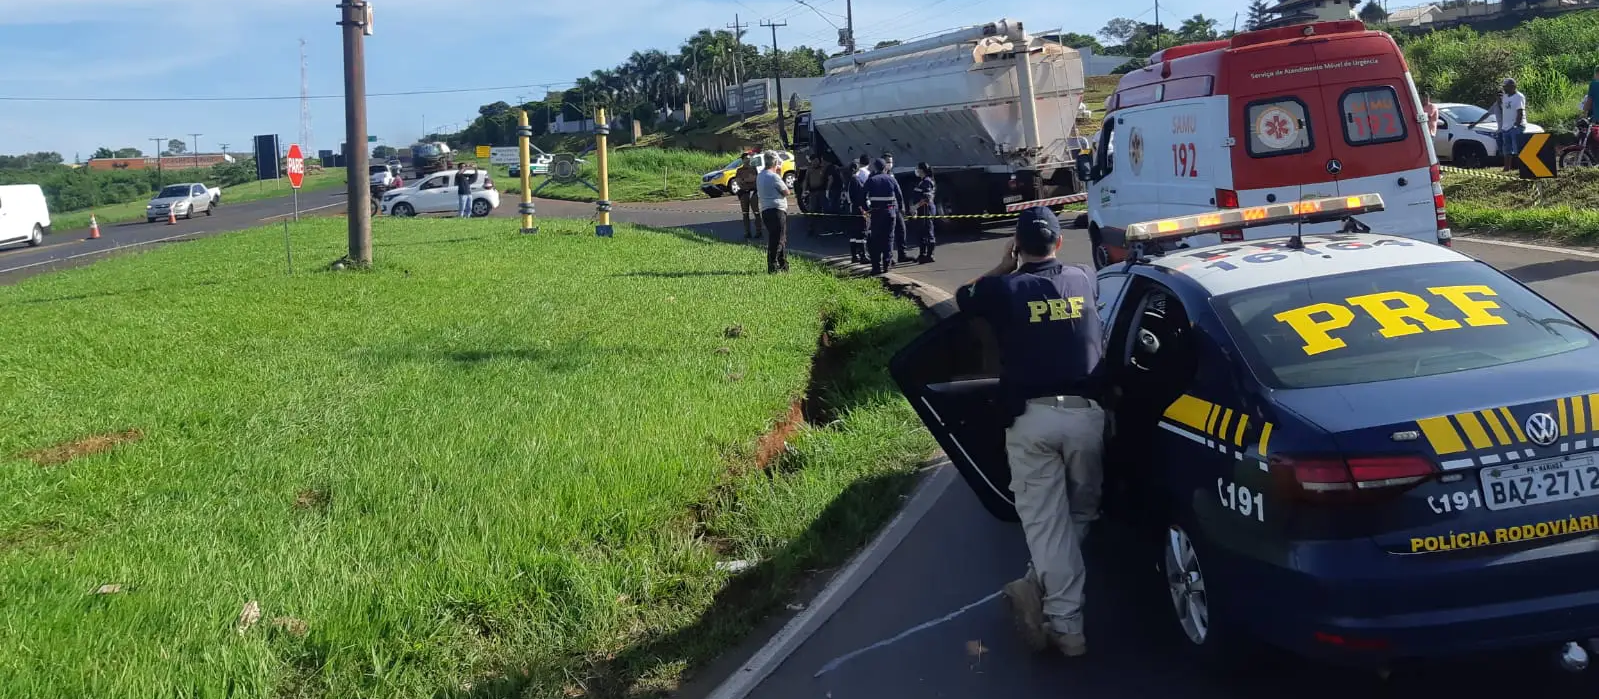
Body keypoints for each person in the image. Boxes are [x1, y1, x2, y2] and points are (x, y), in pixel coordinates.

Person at [955, 206, 1105, 659]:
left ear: (1017, 247)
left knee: (1047, 527)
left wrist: (1003, 265)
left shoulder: (1004, 289)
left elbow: (965, 298)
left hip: (1033, 421)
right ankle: (1041, 585)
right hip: (1088, 418)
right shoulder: (1083, 279)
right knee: (1080, 514)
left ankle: (1065, 626)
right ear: (1059, 243)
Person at [1471, 79, 1525, 172]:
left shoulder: (1519, 97)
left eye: (1505, 87)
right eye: (1503, 87)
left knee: (1517, 148)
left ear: (1512, 86)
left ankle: (1521, 168)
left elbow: (1520, 111)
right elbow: (1498, 110)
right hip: (1505, 127)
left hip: (1515, 126)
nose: (1504, 89)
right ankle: (1506, 168)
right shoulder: (1505, 97)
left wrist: (1516, 124)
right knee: (1506, 149)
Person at [862, 158, 904, 274]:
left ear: (875, 168)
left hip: (876, 213)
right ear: (885, 167)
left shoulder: (871, 180)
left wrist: (866, 209)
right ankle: (887, 265)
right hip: (890, 212)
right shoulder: (891, 179)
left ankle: (876, 267)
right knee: (889, 238)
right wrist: (900, 210)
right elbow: (899, 196)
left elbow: (862, 196)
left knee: (875, 239)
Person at [757, 150, 792, 273]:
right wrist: (779, 174)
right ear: (775, 162)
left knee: (775, 237)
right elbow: (786, 191)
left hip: (765, 210)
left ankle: (783, 265)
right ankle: (773, 264)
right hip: (777, 210)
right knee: (779, 239)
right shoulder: (774, 176)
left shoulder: (760, 175)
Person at [882, 151, 913, 264]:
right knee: (888, 234)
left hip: (895, 206)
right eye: (887, 162)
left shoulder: (891, 174)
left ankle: (902, 254)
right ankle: (888, 258)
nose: (889, 164)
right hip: (886, 208)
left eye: (891, 162)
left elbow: (898, 192)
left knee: (901, 230)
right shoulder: (879, 175)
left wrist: (902, 206)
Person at [911, 162, 938, 263]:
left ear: (921, 170)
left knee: (928, 232)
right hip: (922, 210)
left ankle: (930, 255)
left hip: (926, 210)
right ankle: (922, 254)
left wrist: (915, 207)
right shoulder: (922, 181)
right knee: (921, 232)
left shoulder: (927, 181)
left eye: (917, 169)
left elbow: (927, 198)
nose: (916, 171)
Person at [848, 154, 871, 265]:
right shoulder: (856, 180)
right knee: (862, 232)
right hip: (859, 209)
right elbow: (860, 197)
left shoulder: (850, 180)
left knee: (854, 233)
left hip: (853, 208)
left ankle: (854, 255)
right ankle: (863, 255)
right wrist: (864, 210)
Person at [735, 152, 763, 239]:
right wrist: (746, 180)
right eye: (746, 158)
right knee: (745, 213)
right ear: (742, 160)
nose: (748, 160)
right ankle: (747, 232)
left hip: (753, 192)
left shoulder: (753, 169)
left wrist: (745, 180)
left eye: (749, 158)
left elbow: (754, 179)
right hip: (744, 193)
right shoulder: (739, 170)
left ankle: (759, 231)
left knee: (756, 212)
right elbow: (739, 182)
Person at [804, 153, 831, 237]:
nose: (815, 162)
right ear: (811, 162)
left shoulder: (823, 168)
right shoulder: (809, 169)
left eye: (816, 160)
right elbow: (806, 180)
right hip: (813, 192)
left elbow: (829, 178)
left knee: (825, 209)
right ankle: (811, 228)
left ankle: (827, 227)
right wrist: (804, 191)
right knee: (812, 211)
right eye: (813, 161)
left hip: (822, 191)